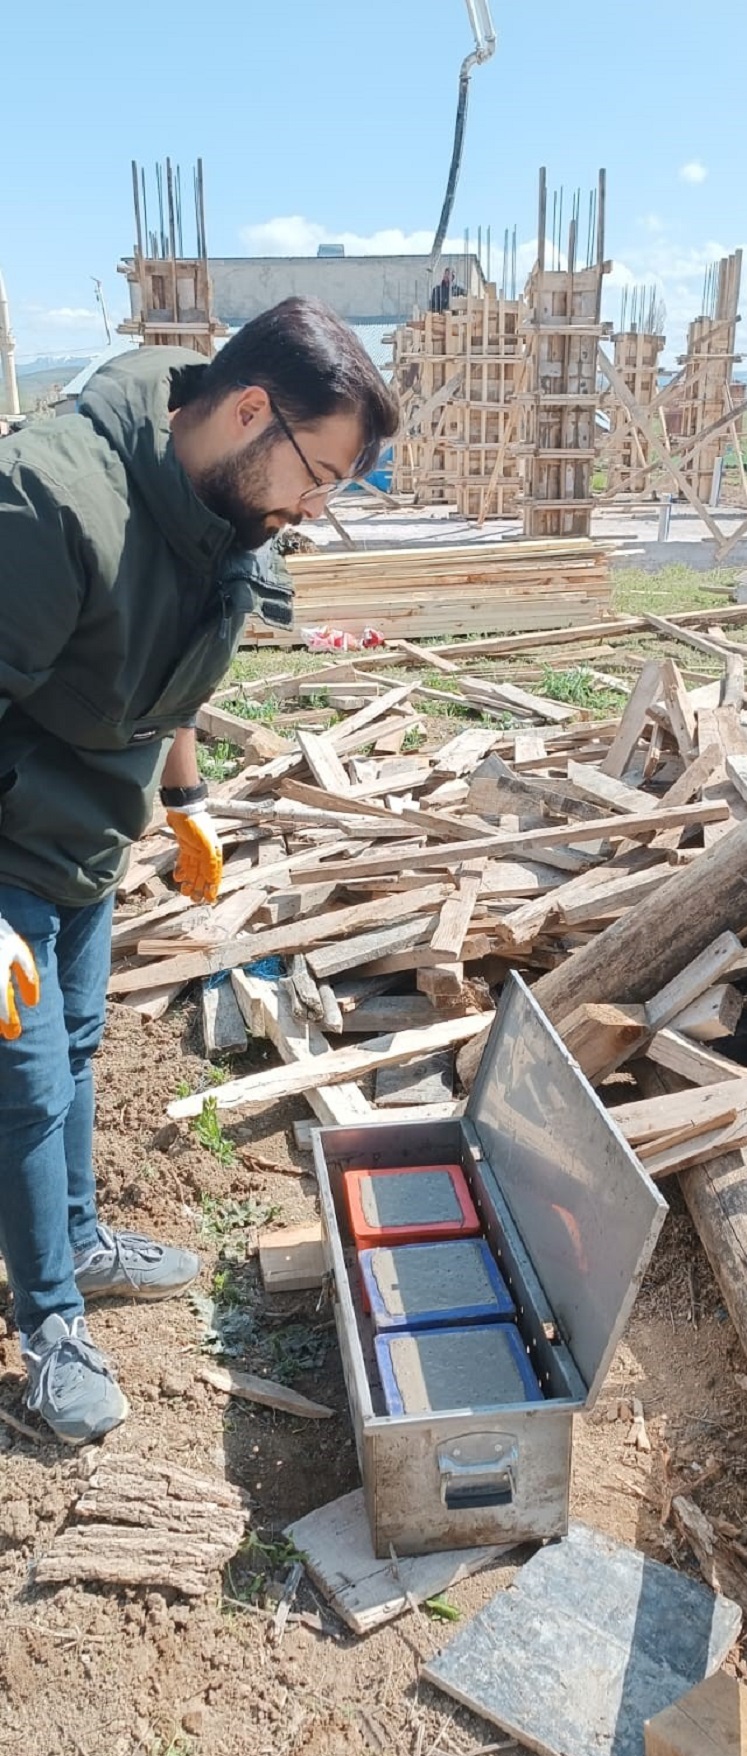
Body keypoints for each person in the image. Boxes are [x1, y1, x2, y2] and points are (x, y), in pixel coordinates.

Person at [0, 298, 400, 1446]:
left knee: (75, 1045)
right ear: (249, 410)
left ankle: (73, 1233)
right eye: (316, 474)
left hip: (85, 828)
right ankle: (50, 1330)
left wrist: (184, 800)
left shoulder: (225, 498)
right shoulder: (47, 503)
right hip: (9, 844)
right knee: (23, 1085)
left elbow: (182, 656)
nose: (313, 507)